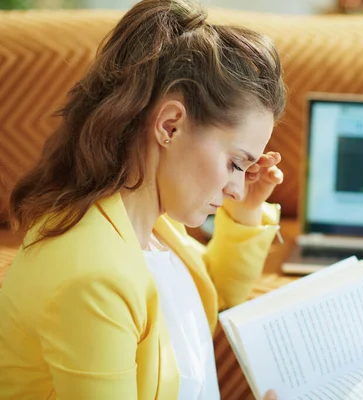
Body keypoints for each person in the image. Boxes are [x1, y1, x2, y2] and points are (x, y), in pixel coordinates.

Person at [0, 0, 285, 399]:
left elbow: (202, 298)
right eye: (236, 163)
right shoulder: (93, 276)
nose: (237, 187)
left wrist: (247, 209)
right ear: (170, 126)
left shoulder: (152, 225)